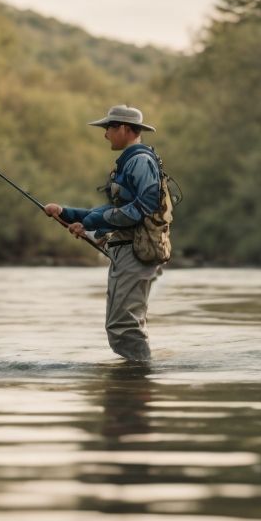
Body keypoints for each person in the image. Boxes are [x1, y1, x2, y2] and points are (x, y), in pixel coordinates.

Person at [44, 105, 162, 362]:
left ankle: (138, 384)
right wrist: (67, 213)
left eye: (108, 128)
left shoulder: (140, 161)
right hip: (126, 253)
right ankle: (135, 382)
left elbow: (145, 206)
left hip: (135, 253)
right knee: (120, 326)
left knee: (123, 326)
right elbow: (116, 210)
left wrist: (90, 222)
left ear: (123, 128)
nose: (105, 134)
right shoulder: (130, 161)